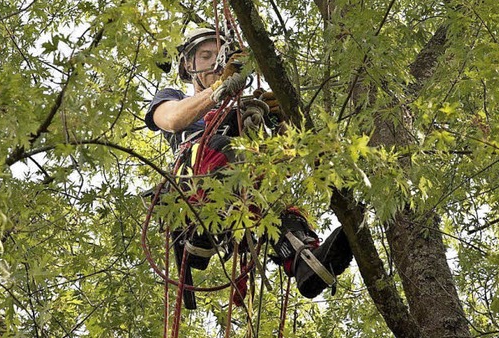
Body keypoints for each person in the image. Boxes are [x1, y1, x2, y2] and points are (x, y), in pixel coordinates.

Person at [145, 28, 352, 306]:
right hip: (196, 179)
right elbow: (172, 120)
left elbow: (282, 164)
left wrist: (284, 121)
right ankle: (199, 232)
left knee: (276, 198)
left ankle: (304, 262)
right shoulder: (175, 98)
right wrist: (219, 90)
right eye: (206, 56)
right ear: (188, 64)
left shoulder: (243, 112)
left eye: (220, 56)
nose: (215, 64)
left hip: (244, 195)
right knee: (223, 148)